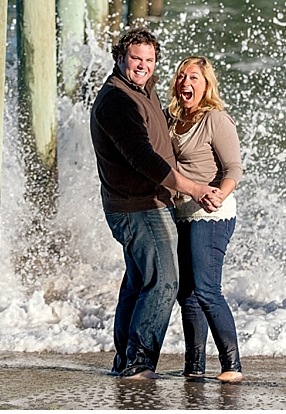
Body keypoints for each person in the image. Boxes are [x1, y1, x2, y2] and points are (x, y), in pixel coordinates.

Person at [90, 27, 223, 380]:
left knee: (138, 284)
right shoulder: (118, 101)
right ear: (120, 58)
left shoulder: (141, 90)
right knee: (165, 282)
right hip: (140, 206)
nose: (143, 66)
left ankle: (124, 361)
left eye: (149, 60)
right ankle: (138, 363)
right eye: (136, 58)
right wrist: (193, 188)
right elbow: (144, 159)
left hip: (141, 204)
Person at [167, 56, 244, 383]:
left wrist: (219, 195)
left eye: (194, 78)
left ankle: (232, 366)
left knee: (207, 290)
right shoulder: (172, 121)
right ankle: (194, 367)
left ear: (206, 84)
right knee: (187, 294)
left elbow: (234, 169)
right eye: (182, 77)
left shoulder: (216, 119)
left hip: (211, 214)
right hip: (182, 213)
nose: (187, 83)